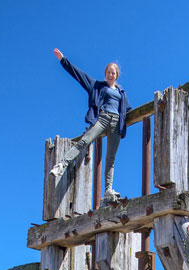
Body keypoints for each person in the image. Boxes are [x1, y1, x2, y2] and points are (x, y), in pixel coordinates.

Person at [51, 48, 131, 204]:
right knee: (85, 140)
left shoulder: (122, 93)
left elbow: (127, 110)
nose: (110, 74)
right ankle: (62, 164)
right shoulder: (97, 86)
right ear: (105, 74)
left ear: (117, 76)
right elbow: (78, 75)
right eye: (108, 72)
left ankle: (108, 190)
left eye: (113, 73)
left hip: (116, 123)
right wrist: (63, 60)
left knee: (111, 158)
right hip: (103, 118)